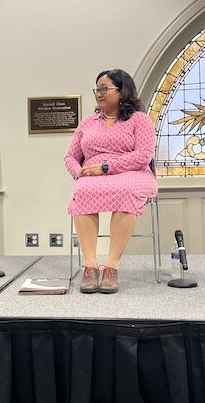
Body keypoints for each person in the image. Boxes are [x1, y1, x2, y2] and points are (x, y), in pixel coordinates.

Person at [64, 69, 157, 294]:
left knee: (125, 190)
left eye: (105, 89)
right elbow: (70, 157)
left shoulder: (140, 120)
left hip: (133, 173)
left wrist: (106, 168)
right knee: (83, 190)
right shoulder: (87, 123)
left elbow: (144, 155)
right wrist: (79, 172)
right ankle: (90, 266)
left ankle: (111, 266)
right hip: (93, 177)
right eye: (97, 89)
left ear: (122, 91)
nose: (99, 94)